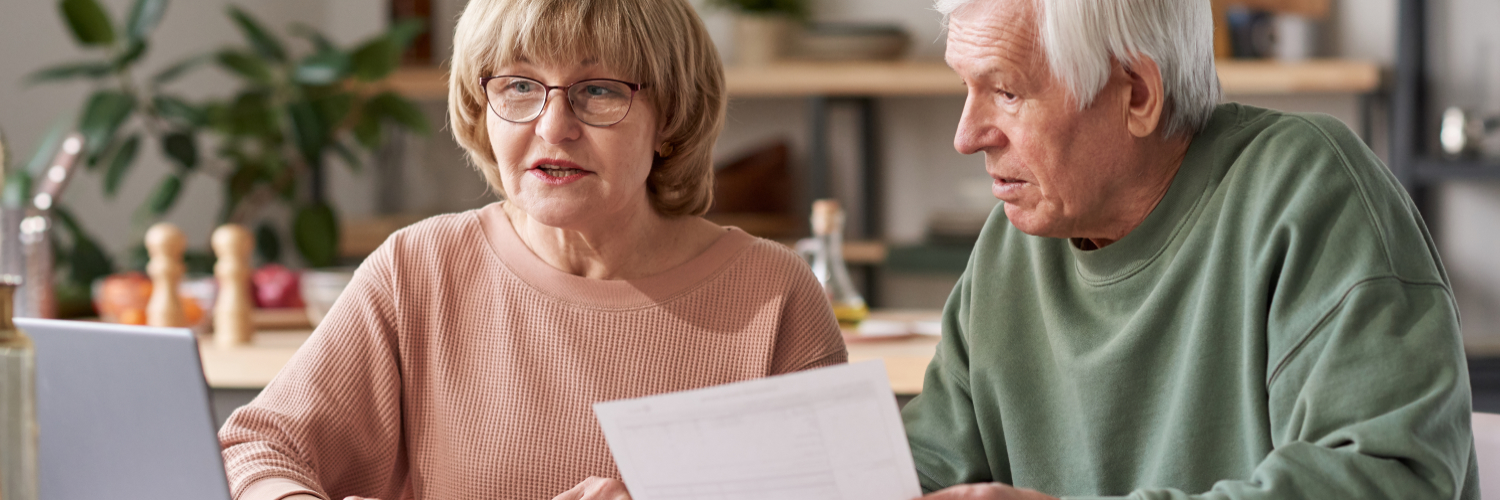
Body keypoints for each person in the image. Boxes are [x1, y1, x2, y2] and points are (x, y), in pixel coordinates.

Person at [217, 0, 848, 498]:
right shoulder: (422, 267)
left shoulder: (775, 292)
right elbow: (251, 451)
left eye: (599, 90)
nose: (552, 126)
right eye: (519, 86)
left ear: (672, 120)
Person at [901, 0, 1478, 499]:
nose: (965, 135)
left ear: (1138, 93)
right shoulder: (1011, 247)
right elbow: (920, 476)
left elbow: (1388, 483)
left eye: (1006, 91)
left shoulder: (1308, 195)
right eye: (965, 88)